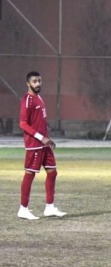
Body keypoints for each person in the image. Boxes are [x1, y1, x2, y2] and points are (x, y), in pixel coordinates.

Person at [17, 71, 66, 220]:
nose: (38, 84)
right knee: (30, 174)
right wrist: (40, 137)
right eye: (34, 81)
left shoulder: (39, 98)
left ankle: (49, 207)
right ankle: (23, 209)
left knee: (52, 172)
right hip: (34, 145)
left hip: (44, 143)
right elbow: (23, 124)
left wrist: (47, 138)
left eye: (39, 81)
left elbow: (40, 122)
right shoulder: (28, 100)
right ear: (28, 83)